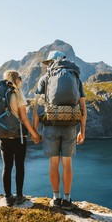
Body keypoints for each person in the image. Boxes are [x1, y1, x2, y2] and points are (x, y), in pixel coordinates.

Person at [33, 51, 87, 210]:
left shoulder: (46, 78)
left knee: (54, 163)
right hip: (70, 125)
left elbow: (36, 107)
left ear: (52, 62)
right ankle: (68, 199)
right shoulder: (75, 77)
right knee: (67, 163)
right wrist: (82, 130)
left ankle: (56, 198)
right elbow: (83, 108)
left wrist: (34, 131)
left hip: (51, 125)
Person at [0, 70, 41, 206]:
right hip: (18, 136)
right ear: (17, 80)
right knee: (19, 166)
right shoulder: (17, 94)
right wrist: (34, 134)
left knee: (7, 166)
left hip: (3, 136)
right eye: (20, 79)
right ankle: (19, 196)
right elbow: (23, 118)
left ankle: (7, 197)